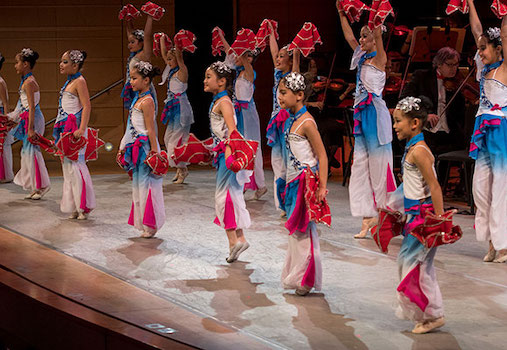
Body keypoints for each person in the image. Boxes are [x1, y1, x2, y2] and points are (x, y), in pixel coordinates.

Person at [337, 1, 396, 238]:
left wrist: (377, 24)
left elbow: (379, 40)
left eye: (365, 37)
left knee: (380, 167)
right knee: (360, 165)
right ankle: (367, 217)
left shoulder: (380, 58)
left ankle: (385, 214)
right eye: (361, 37)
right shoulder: (360, 57)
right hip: (362, 115)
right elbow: (348, 35)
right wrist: (341, 13)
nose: (361, 40)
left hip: (375, 114)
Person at [392, 96, 445, 334]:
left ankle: (432, 315)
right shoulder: (413, 148)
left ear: (414, 123)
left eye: (398, 121)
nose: (395, 126)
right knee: (413, 264)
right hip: (414, 217)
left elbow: (434, 186)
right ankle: (428, 312)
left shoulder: (420, 151)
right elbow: (410, 187)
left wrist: (440, 220)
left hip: (423, 218)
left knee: (415, 266)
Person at [278, 71, 328, 296]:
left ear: (299, 95)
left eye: (283, 92)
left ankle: (306, 278)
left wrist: (322, 186)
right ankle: (299, 275)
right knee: (296, 232)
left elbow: (322, 155)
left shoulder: (307, 122)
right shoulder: (293, 119)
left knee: (303, 231)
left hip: (304, 180)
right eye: (279, 92)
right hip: (293, 179)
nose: (279, 96)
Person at [466, 0, 507, 263]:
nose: (480, 52)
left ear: (498, 49)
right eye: (479, 49)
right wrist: (470, 2)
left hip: (501, 130)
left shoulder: (505, 68)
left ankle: (503, 244)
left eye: (484, 48)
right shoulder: (485, 69)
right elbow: (476, 28)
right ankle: (492, 240)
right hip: (482, 131)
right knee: (480, 188)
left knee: (501, 187)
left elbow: (504, 34)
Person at [204, 61, 251, 263]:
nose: (204, 80)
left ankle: (234, 242)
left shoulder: (224, 102)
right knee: (230, 195)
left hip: (228, 155)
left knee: (224, 197)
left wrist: (229, 156)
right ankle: (240, 238)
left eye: (208, 77)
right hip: (223, 153)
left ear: (221, 81)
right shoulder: (219, 100)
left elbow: (232, 132)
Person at [218, 31, 267, 199]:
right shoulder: (238, 72)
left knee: (253, 148)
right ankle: (245, 181)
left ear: (248, 58)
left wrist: (246, 49)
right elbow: (230, 52)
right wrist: (221, 37)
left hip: (248, 114)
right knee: (241, 146)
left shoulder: (249, 72)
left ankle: (260, 185)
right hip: (240, 113)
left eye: (240, 55)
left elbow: (241, 56)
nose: (234, 57)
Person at [118, 61, 165, 238]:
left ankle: (151, 224)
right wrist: (123, 145)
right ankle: (143, 221)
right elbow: (131, 126)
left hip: (145, 148)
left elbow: (150, 129)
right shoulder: (137, 100)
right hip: (135, 147)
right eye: (131, 78)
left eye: (135, 78)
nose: (131, 81)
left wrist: (154, 151)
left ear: (146, 80)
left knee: (146, 186)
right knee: (138, 186)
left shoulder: (147, 101)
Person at [400, 47, 466, 156]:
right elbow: (405, 100)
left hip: (449, 135)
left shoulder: (457, 83)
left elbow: (460, 115)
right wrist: (424, 115)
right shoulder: (421, 77)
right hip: (427, 132)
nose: (454, 69)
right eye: (450, 65)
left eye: (456, 65)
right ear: (439, 64)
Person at [53, 50, 96, 219]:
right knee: (67, 168)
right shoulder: (69, 82)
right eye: (61, 61)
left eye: (64, 62)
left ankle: (83, 206)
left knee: (77, 165)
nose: (61, 65)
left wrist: (82, 129)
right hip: (65, 128)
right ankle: (73, 205)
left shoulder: (80, 81)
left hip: (75, 129)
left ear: (75, 65)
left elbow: (86, 106)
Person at [266, 22, 300, 216]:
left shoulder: (291, 76)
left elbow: (295, 70)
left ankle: (291, 202)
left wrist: (295, 55)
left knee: (289, 163)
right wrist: (271, 32)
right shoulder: (277, 73)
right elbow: (273, 51)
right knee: (277, 163)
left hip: (288, 124)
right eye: (278, 56)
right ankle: (281, 204)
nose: (278, 58)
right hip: (276, 124)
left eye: (282, 56)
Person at [10, 48, 50, 199]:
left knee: (32, 152)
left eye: (17, 62)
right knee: (26, 153)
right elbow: (22, 105)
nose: (15, 65)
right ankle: (35, 186)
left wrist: (31, 128)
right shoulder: (26, 81)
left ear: (25, 64)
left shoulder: (29, 82)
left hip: (33, 119)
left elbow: (32, 107)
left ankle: (42, 185)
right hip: (28, 117)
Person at [159, 35, 194, 184]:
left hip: (181, 109)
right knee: (167, 139)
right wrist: (161, 39)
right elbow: (163, 54)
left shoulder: (182, 71)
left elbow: (179, 58)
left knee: (176, 141)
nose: (168, 61)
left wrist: (177, 46)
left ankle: (182, 169)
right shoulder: (171, 71)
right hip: (173, 109)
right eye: (167, 59)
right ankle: (180, 169)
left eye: (171, 59)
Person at [120, 8, 157, 113]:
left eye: (132, 42)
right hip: (135, 87)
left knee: (143, 120)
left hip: (144, 88)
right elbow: (130, 32)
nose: (129, 45)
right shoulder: (134, 55)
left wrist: (150, 16)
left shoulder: (144, 55)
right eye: (129, 42)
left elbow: (147, 36)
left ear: (141, 43)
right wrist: (128, 18)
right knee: (135, 119)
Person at [0, 52, 14, 183]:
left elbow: (5, 102)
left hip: (0, 115)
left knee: (3, 145)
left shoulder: (0, 82)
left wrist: (5, 120)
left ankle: (6, 175)